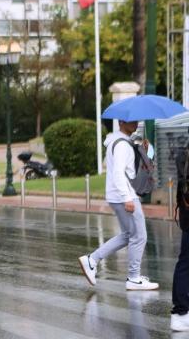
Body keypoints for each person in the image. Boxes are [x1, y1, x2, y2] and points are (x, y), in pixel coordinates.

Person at [78, 120, 158, 291]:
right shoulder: (122, 145)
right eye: (131, 121)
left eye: (137, 120)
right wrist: (127, 198)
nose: (135, 123)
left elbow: (132, 167)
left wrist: (146, 149)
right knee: (139, 236)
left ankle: (92, 260)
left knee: (130, 235)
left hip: (121, 195)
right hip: (125, 196)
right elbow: (118, 173)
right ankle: (133, 277)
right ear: (121, 122)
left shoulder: (122, 141)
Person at [172, 142, 189, 331]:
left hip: (186, 214)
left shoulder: (182, 154)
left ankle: (181, 310)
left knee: (185, 261)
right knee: (185, 262)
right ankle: (181, 312)